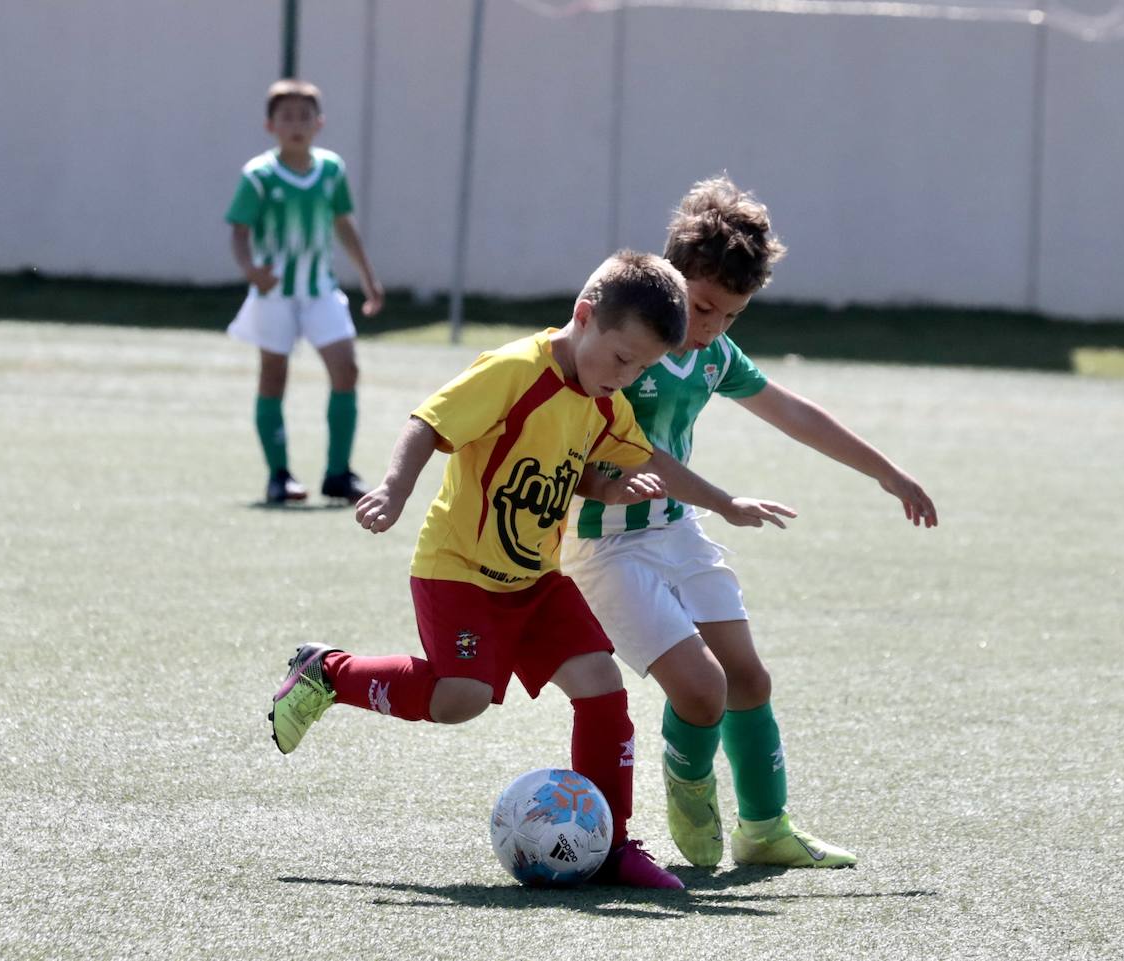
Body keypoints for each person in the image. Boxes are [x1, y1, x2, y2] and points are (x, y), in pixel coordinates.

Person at [266, 251, 791, 889]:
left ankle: (612, 846)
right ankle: (327, 671)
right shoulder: (515, 369)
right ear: (584, 316)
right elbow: (429, 423)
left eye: (644, 368)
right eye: (623, 359)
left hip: (536, 580)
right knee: (461, 700)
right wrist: (394, 489)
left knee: (602, 687)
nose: (627, 378)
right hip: (459, 571)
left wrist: (615, 490)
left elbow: (614, 464)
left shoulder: (604, 402)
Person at [563, 176, 938, 871]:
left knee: (749, 680)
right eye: (702, 307)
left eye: (729, 317)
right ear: (668, 276)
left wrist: (884, 471)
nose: (707, 328)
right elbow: (637, 453)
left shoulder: (711, 353)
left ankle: (765, 829)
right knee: (702, 690)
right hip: (602, 543)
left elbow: (791, 410)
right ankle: (689, 781)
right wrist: (724, 501)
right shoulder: (621, 348)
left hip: (671, 529)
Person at [225, 79, 384, 506]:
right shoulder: (258, 176)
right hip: (275, 293)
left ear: (319, 123)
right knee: (274, 375)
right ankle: (279, 476)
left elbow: (343, 224)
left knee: (346, 370)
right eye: (286, 117)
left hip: (320, 291)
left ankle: (337, 473)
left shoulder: (331, 170)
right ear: (270, 125)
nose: (296, 124)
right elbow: (239, 232)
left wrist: (367, 276)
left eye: (304, 116)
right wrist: (249, 269)